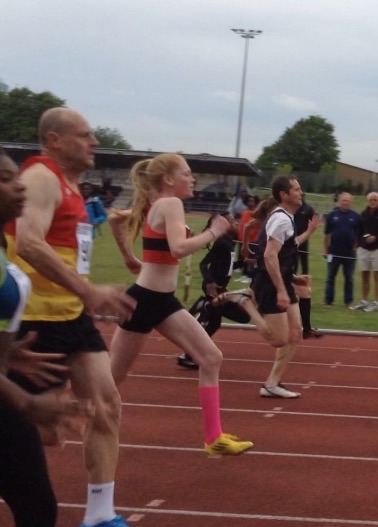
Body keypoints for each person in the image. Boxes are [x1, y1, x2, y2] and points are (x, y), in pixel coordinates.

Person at [4, 107, 154, 527]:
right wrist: (87, 290)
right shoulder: (41, 178)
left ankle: (99, 517)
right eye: (85, 135)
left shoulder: (72, 186)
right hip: (34, 322)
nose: (94, 142)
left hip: (72, 316)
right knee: (46, 432)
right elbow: (28, 241)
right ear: (54, 140)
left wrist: (81, 296)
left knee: (106, 405)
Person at [0, 124, 92, 527]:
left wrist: (8, 354)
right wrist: (26, 402)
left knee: (38, 510)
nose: (20, 186)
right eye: (6, 179)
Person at [107, 153, 254, 459]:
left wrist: (129, 258)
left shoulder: (157, 204)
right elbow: (178, 248)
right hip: (144, 300)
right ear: (168, 179)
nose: (192, 178)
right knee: (111, 381)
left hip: (163, 301)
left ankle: (214, 439)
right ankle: (75, 420)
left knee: (211, 358)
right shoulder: (170, 203)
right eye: (186, 173)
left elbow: (115, 219)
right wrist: (213, 232)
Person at [224, 175, 319, 398]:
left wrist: (293, 277)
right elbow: (269, 256)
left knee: (295, 333)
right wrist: (281, 290)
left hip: (282, 281)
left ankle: (271, 384)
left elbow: (288, 247)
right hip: (270, 284)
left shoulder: (286, 217)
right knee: (278, 339)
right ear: (284, 195)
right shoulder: (281, 220)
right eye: (296, 189)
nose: (301, 192)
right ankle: (246, 303)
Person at [176, 211, 253, 369]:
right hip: (215, 289)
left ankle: (189, 355)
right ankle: (206, 305)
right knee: (244, 316)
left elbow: (227, 267)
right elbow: (203, 264)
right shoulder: (222, 243)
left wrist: (244, 263)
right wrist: (210, 282)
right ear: (224, 226)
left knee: (214, 324)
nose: (236, 223)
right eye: (232, 221)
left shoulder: (229, 243)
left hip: (220, 288)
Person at [242, 193, 322, 341]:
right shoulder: (273, 220)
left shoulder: (285, 220)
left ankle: (306, 329)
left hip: (279, 271)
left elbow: (292, 245)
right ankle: (241, 302)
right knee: (247, 314)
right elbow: (269, 254)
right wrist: (245, 248)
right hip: (266, 273)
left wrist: (309, 231)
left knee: (304, 291)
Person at [350, 191, 378, 313]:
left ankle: (376, 303)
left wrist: (376, 237)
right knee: (364, 275)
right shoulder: (363, 214)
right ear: (368, 201)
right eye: (371, 200)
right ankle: (364, 301)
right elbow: (359, 230)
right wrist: (359, 242)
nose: (373, 202)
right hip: (364, 248)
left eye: (375, 200)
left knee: (377, 276)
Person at [323, 192, 359, 307]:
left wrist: (355, 247)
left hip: (349, 253)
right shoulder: (332, 215)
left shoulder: (355, 216)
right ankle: (328, 300)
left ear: (351, 202)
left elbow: (358, 234)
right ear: (339, 202)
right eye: (344, 200)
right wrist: (325, 249)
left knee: (349, 278)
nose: (345, 203)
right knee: (330, 277)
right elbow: (326, 234)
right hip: (333, 252)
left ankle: (348, 301)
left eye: (348, 201)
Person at [294, 193, 316, 275]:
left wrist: (309, 232)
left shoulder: (308, 209)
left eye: (302, 196)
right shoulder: (294, 207)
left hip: (304, 238)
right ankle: (293, 276)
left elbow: (313, 221)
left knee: (304, 260)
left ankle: (305, 277)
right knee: (293, 260)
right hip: (293, 237)